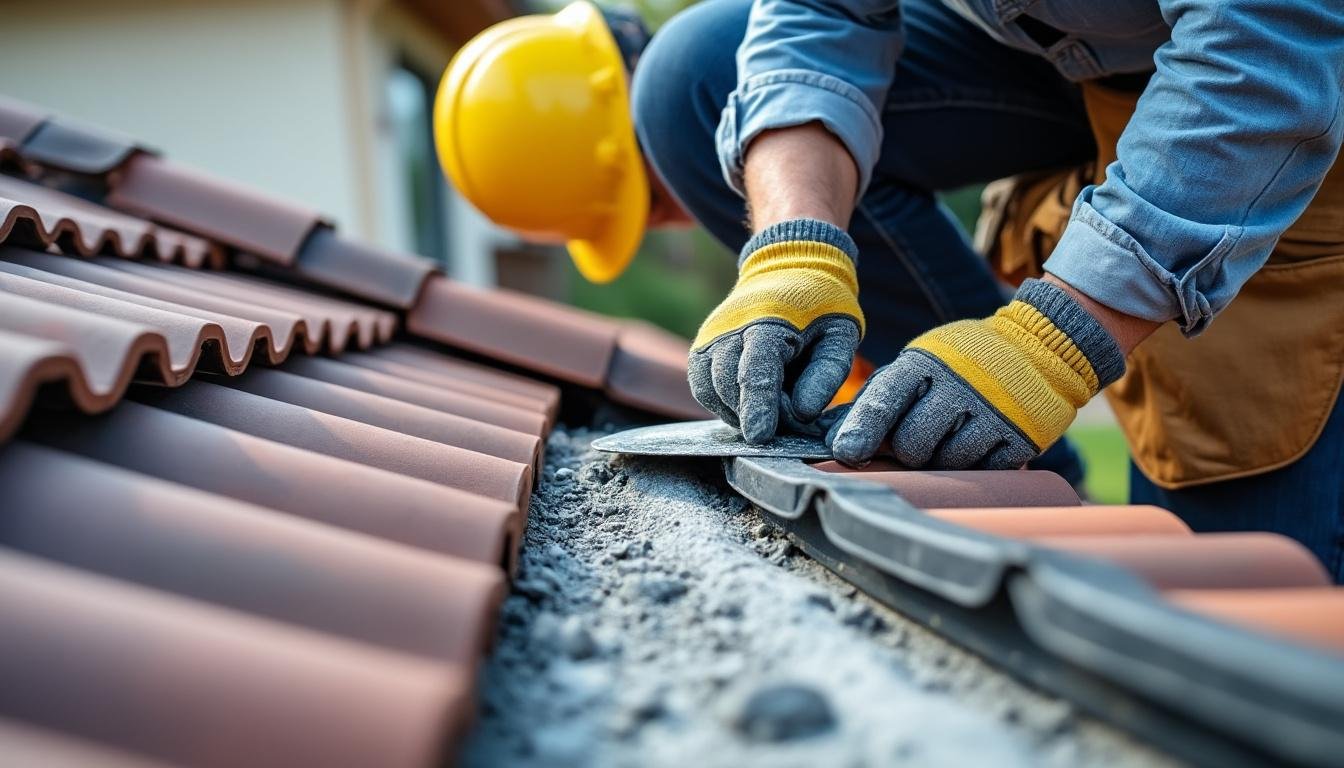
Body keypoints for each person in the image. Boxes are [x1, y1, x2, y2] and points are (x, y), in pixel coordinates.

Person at [435, 1, 1344, 581]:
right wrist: (793, 248)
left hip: (1287, 64)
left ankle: (1015, 413)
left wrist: (1055, 340)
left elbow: (1265, 57)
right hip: (1087, 54)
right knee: (700, 75)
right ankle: (988, 447)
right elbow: (818, 16)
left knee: (1237, 607)